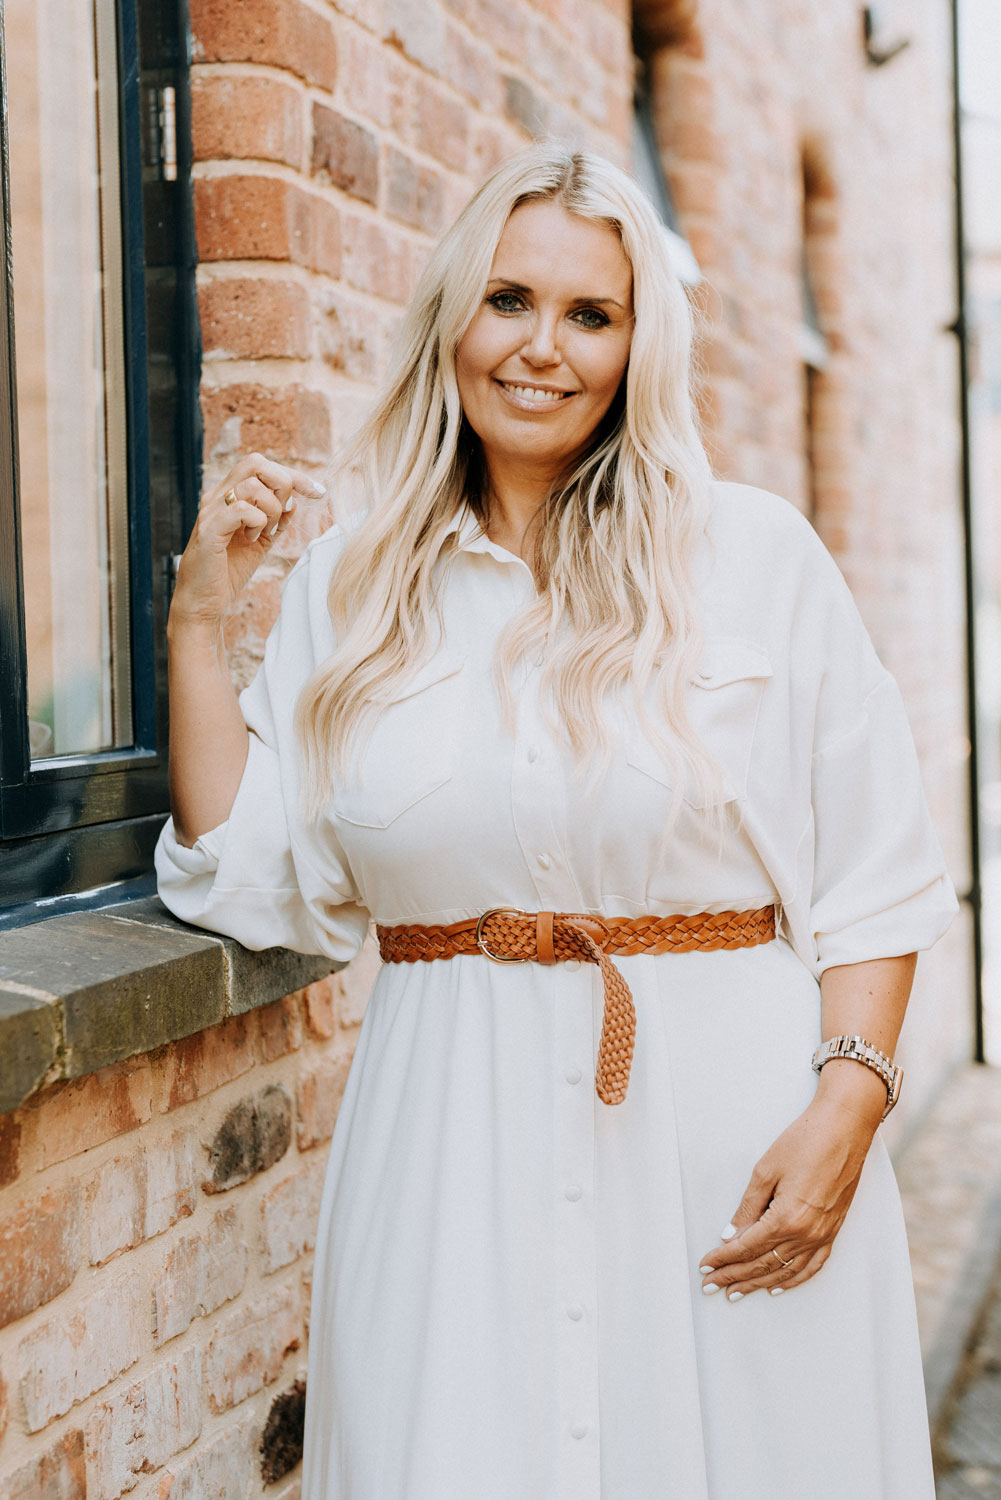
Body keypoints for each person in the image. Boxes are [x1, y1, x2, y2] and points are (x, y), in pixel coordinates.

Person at [156, 143, 958, 1500]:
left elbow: (875, 874)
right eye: (507, 299)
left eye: (592, 313)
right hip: (445, 1159)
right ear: (451, 322)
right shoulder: (351, 589)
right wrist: (194, 619)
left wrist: (846, 1108)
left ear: (640, 345)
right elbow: (255, 871)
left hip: (736, 1157)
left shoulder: (751, 557)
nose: (543, 347)